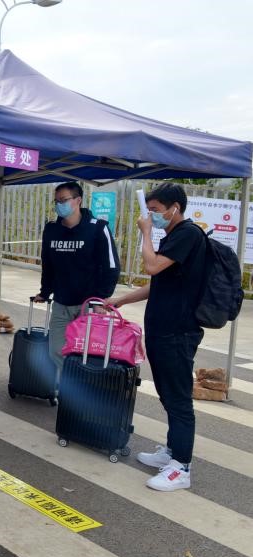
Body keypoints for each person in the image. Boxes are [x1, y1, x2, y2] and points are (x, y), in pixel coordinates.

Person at [108, 183, 205, 491]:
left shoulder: (188, 234)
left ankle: (181, 468)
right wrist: (122, 300)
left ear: (175, 208)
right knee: (167, 395)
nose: (151, 216)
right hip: (163, 331)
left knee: (178, 399)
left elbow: (151, 266)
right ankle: (173, 451)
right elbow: (159, 283)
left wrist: (146, 233)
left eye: (156, 210)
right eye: (148, 210)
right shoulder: (174, 236)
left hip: (178, 332)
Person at [34, 181, 120, 389]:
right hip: (61, 303)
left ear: (78, 200)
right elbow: (48, 264)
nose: (59, 205)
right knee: (57, 350)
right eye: (56, 201)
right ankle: (73, 389)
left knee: (85, 353)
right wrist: (45, 292)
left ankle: (74, 393)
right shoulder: (52, 230)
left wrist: (100, 300)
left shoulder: (97, 228)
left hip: (88, 305)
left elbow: (111, 266)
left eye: (63, 200)